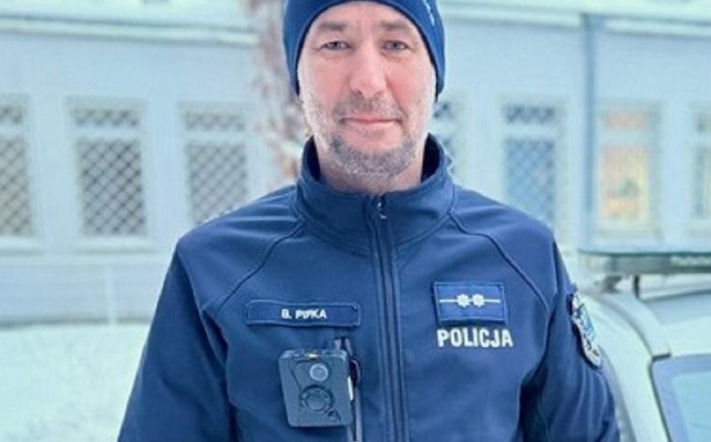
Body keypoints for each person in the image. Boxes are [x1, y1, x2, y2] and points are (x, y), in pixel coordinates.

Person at [118, 0, 618, 440]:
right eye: (335, 44)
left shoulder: (524, 259)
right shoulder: (215, 269)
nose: (367, 82)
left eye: (396, 44)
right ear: (297, 77)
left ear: (434, 73)